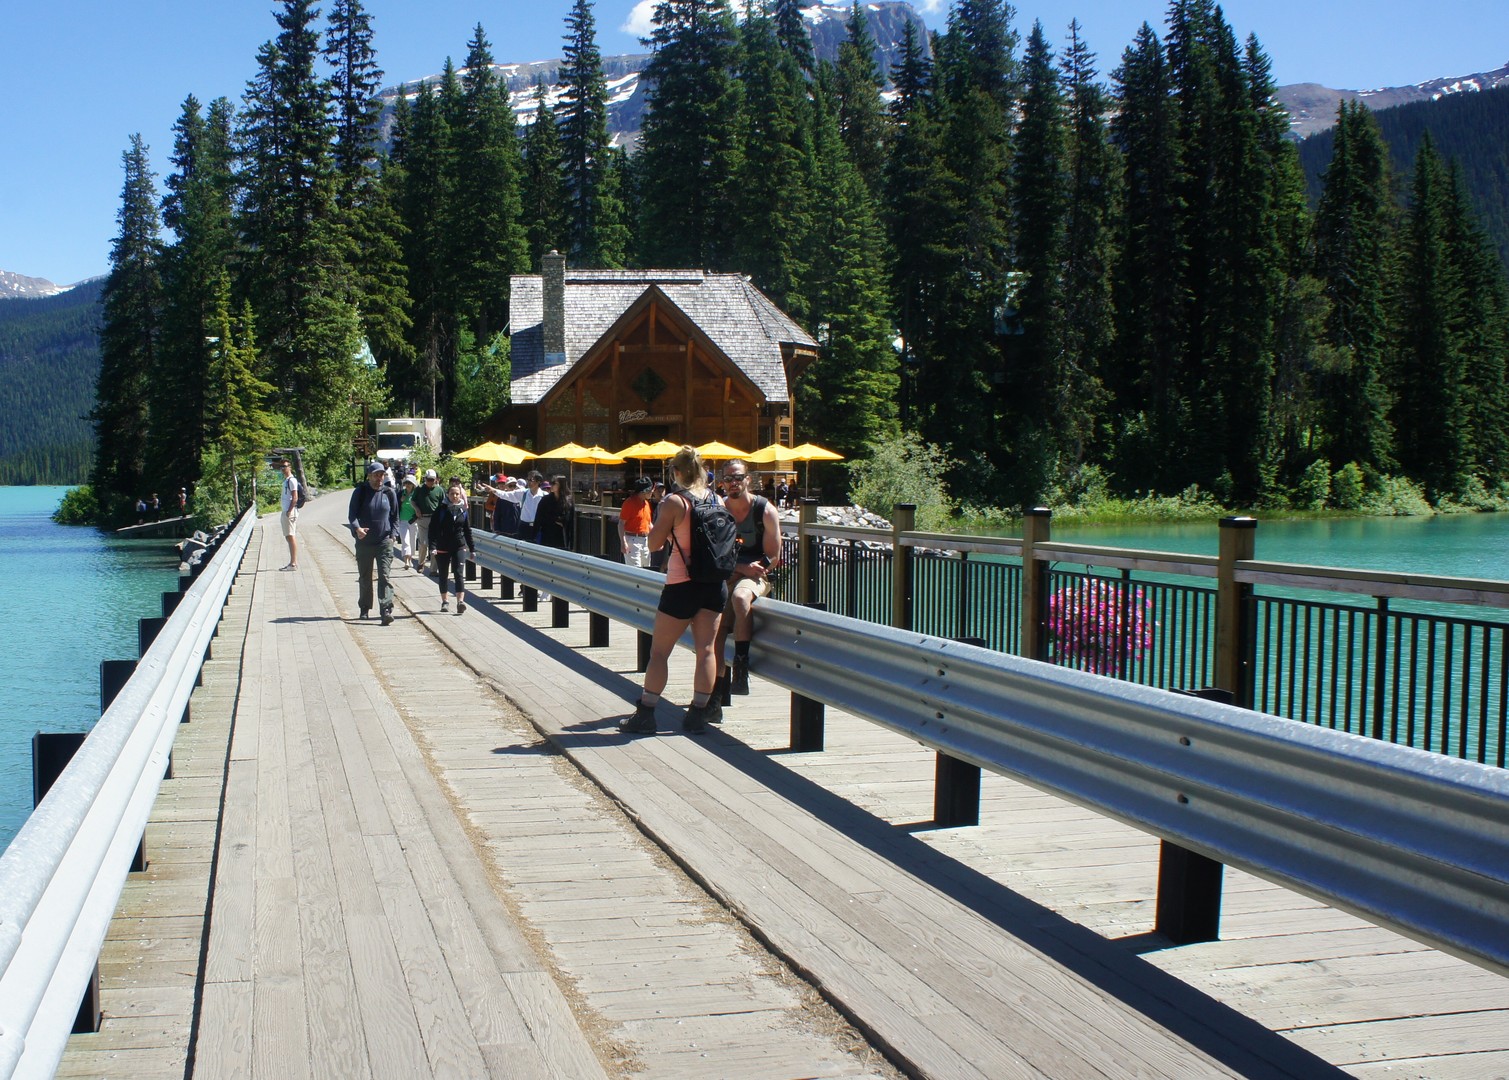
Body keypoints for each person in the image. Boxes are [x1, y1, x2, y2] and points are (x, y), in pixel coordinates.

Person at [622, 446, 728, 736]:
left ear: (677, 472)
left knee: (659, 652)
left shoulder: (675, 502)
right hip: (714, 585)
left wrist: (668, 530)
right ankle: (697, 715)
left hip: (682, 585)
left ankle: (646, 714)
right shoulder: (717, 499)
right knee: (706, 650)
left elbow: (654, 544)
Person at [714, 460, 783, 696]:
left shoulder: (765, 510)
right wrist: (740, 568)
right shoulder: (718, 510)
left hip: (756, 573)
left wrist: (750, 569)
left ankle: (741, 667)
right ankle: (715, 690)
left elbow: (773, 556)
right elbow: (713, 553)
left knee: (741, 597)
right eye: (728, 479)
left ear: (747, 480)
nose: (733, 483)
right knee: (715, 622)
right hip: (728, 570)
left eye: (738, 478)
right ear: (722, 483)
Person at [348, 461, 399, 624]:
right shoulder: (360, 492)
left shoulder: (389, 493)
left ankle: (386, 609)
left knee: (384, 576)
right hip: (364, 542)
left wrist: (393, 535)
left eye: (382, 475)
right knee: (365, 577)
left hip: (384, 541)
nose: (379, 478)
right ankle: (364, 608)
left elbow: (395, 517)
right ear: (369, 476)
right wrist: (357, 529)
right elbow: (352, 515)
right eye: (376, 475)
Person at [429, 480, 475, 614]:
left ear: (460, 495)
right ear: (447, 495)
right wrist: (432, 546)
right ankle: (445, 601)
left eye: (457, 494)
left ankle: (460, 602)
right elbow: (432, 530)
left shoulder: (463, 511)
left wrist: (472, 549)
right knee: (443, 574)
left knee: (458, 573)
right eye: (452, 494)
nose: (455, 496)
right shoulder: (440, 510)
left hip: (459, 546)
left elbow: (467, 530)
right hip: (442, 546)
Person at [410, 468, 445, 572]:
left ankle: (433, 570)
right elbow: (412, 500)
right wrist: (416, 509)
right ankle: (421, 563)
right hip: (423, 518)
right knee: (423, 543)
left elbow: (443, 504)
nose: (430, 482)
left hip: (435, 519)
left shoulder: (439, 490)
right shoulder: (419, 489)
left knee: (434, 545)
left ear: (436, 479)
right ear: (425, 479)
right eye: (428, 479)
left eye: (432, 480)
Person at [618, 476, 654, 567]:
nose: (652, 493)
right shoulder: (629, 503)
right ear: (644, 492)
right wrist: (623, 542)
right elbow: (621, 523)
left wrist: (657, 537)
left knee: (647, 569)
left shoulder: (646, 504)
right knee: (635, 570)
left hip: (645, 541)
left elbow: (648, 524)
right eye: (651, 491)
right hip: (632, 540)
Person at [535, 474, 574, 550]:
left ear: (561, 485)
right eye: (551, 483)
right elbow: (539, 518)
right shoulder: (545, 500)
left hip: (562, 536)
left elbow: (571, 520)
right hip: (547, 535)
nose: (551, 485)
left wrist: (563, 521)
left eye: (554, 483)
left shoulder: (568, 501)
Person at [278, 459, 300, 570]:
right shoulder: (286, 480)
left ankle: (293, 563)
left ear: (289, 467)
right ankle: (292, 562)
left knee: (291, 536)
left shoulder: (292, 480)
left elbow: (295, 497)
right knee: (288, 536)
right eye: (281, 467)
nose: (283, 469)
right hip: (286, 511)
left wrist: (289, 511)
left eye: (285, 466)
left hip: (289, 512)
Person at [515, 470, 547, 542]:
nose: (528, 482)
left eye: (531, 480)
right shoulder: (523, 493)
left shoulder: (545, 496)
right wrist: (494, 490)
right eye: (528, 479)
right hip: (524, 527)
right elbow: (507, 495)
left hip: (538, 528)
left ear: (538, 482)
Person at [397, 474, 419, 570]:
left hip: (414, 521)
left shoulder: (416, 494)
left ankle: (410, 559)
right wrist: (400, 501)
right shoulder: (401, 493)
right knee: (405, 540)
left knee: (412, 541)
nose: (408, 485)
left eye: (410, 483)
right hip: (403, 520)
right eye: (406, 483)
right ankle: (406, 561)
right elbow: (395, 506)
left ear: (413, 484)